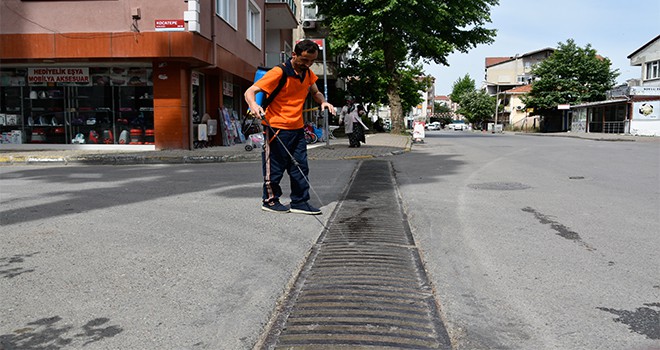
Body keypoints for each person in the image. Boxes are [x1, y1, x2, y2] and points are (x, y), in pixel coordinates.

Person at [244, 39, 335, 215]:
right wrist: (254, 105)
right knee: (275, 166)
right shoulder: (279, 72)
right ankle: (270, 201)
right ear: (294, 55)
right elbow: (250, 91)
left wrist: (323, 102)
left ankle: (299, 202)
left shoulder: (307, 74)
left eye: (312, 61)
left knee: (300, 166)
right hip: (276, 126)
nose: (308, 64)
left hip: (297, 127)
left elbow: (315, 92)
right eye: (304, 60)